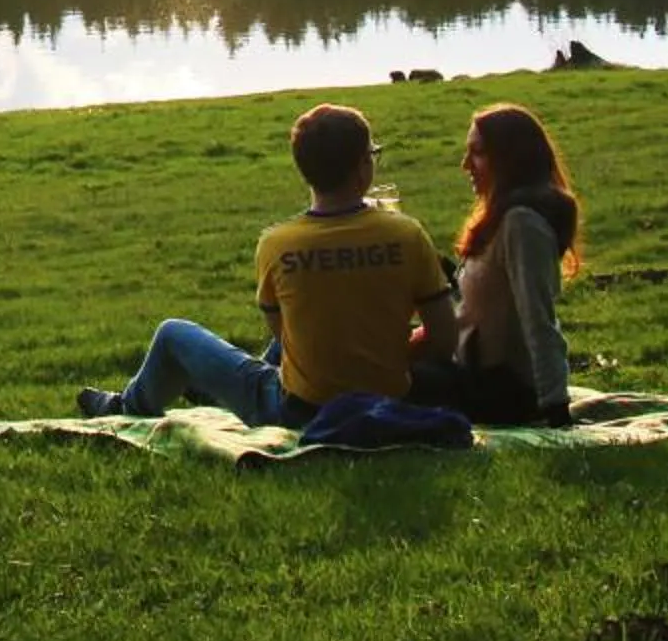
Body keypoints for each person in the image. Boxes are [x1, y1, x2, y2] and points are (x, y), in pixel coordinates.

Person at [76, 103, 455, 429]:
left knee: (173, 333)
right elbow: (443, 340)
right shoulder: (407, 235)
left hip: (300, 411)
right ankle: (207, 392)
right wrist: (380, 356)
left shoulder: (277, 244)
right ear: (362, 169)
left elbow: (289, 341)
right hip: (391, 401)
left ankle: (127, 407)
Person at [408, 102, 582, 427]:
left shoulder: (522, 224)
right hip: (470, 372)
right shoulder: (503, 217)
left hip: (500, 390)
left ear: (510, 159)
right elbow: (484, 300)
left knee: (384, 378)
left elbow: (539, 319)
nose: (465, 165)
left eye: (477, 153)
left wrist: (556, 409)